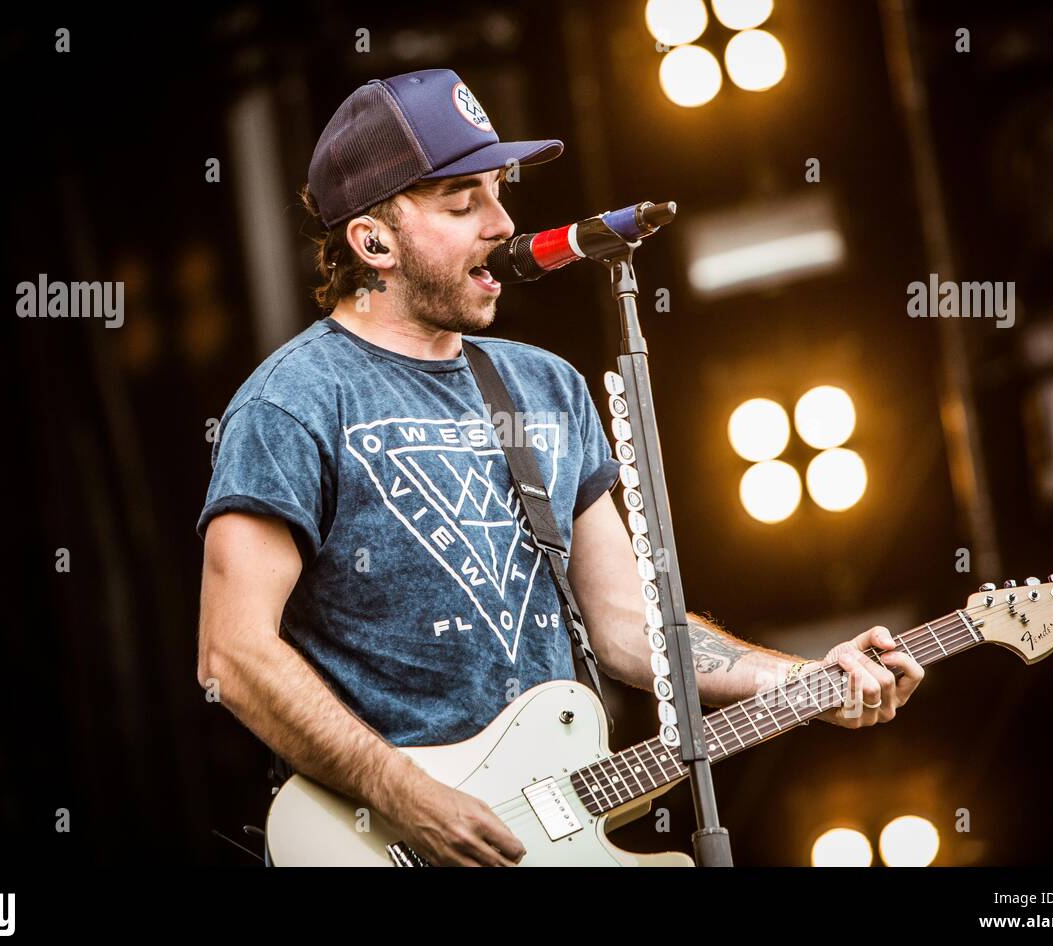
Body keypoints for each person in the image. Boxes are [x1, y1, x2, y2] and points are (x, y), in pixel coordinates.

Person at [195, 68, 925, 866]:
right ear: (374, 241)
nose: (502, 223)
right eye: (462, 201)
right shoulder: (292, 402)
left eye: (499, 191)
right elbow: (232, 654)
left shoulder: (544, 386)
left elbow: (625, 628)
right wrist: (408, 795)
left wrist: (803, 681)